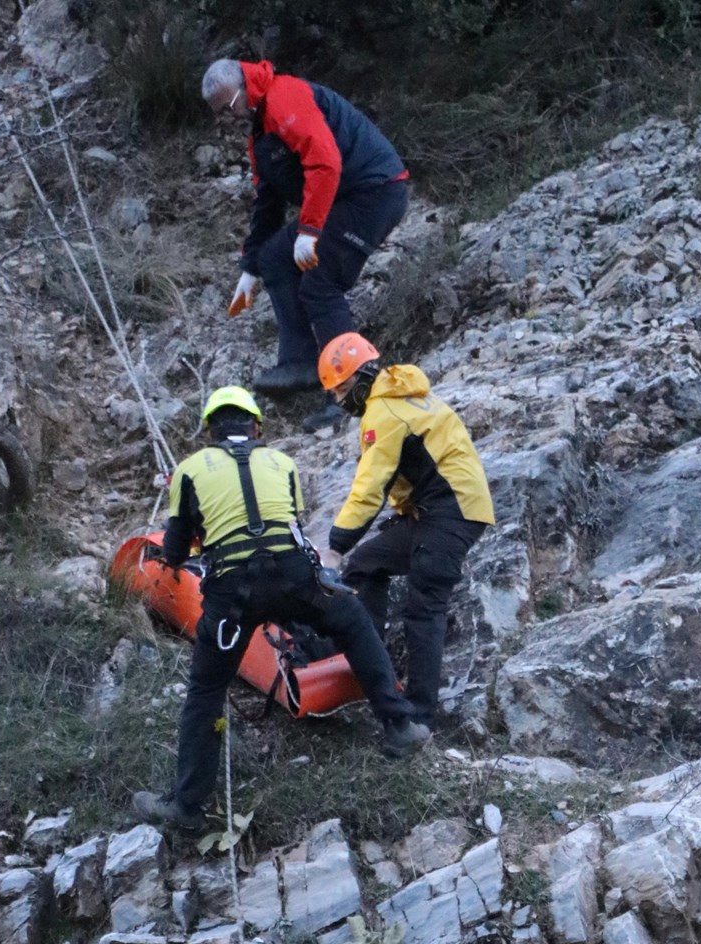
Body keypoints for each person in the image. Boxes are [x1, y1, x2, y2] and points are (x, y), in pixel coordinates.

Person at [133, 385, 427, 832]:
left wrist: (194, 543)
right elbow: (286, 522)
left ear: (210, 430)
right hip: (294, 575)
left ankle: (188, 807)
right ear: (256, 427)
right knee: (353, 622)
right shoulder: (282, 462)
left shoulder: (189, 470)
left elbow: (175, 551)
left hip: (233, 590)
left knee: (206, 690)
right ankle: (400, 724)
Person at [203, 58, 409, 395]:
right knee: (274, 258)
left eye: (229, 106)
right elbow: (268, 203)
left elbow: (325, 162)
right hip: (344, 200)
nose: (229, 117)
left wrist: (309, 232)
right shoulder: (261, 137)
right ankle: (300, 364)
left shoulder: (286, 98)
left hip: (375, 191)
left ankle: (355, 388)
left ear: (243, 87)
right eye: (220, 113)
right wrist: (250, 269)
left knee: (320, 281)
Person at [321, 333, 495, 728]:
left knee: (424, 609)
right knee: (366, 565)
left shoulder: (385, 411)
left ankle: (416, 717)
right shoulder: (401, 396)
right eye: (333, 392)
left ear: (366, 378)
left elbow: (369, 488)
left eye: (343, 389)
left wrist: (335, 546)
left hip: (452, 512)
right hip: (432, 511)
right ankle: (366, 660)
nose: (338, 400)